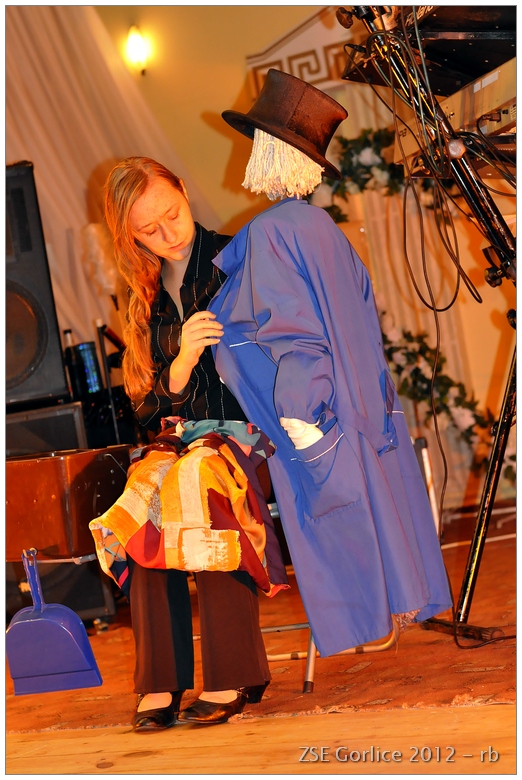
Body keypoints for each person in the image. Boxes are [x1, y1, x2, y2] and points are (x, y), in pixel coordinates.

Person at [208, 69, 453, 659]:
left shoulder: (272, 234)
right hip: (358, 412)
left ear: (270, 152)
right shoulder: (325, 230)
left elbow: (296, 334)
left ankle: (363, 624)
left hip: (316, 415)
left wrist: (301, 415)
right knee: (374, 522)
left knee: (339, 534)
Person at [100, 156, 288, 732]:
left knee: (199, 486)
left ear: (183, 190)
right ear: (130, 237)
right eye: (149, 230)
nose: (168, 233)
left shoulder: (240, 260)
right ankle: (161, 681)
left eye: (172, 214)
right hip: (183, 443)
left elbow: (285, 356)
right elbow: (145, 409)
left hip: (252, 438)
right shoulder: (141, 297)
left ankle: (236, 670)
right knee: (143, 502)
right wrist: (180, 363)